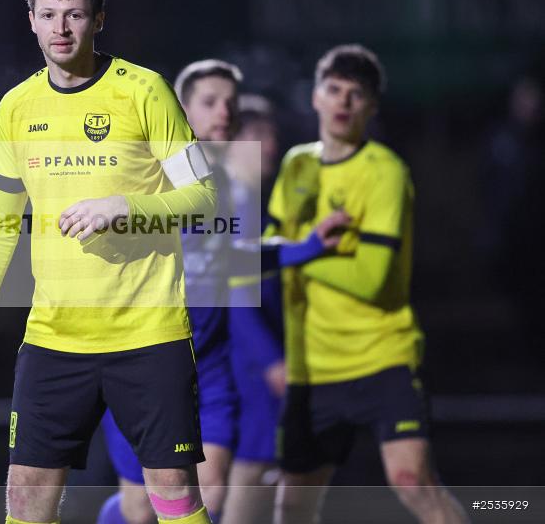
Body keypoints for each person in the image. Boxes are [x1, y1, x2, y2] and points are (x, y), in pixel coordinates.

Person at [0, 0, 218, 524]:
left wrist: (125, 207)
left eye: (74, 14)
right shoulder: (16, 107)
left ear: (99, 20)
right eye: (49, 15)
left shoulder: (145, 91)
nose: (61, 28)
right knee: (25, 495)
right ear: (31, 20)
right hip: (54, 338)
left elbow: (205, 198)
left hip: (147, 334)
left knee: (172, 490)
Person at [97, 62, 349, 524]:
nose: (225, 113)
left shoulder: (226, 185)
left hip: (208, 368)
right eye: (210, 102)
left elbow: (231, 259)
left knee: (208, 489)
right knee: (140, 508)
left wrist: (307, 247)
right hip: (143, 365)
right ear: (182, 111)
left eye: (230, 102)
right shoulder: (146, 175)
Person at [269, 45, 469, 524]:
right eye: (334, 89)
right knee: (292, 505)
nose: (343, 102)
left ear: (371, 107)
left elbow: (372, 278)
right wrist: (298, 250)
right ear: (315, 97)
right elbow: (268, 250)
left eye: (356, 94)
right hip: (312, 368)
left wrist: (298, 252)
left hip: (381, 357)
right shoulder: (296, 164)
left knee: (412, 481)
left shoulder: (386, 171)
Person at [221, 107, 286, 524]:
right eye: (259, 133)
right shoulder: (233, 201)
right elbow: (233, 291)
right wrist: (271, 360)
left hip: (244, 358)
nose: (271, 145)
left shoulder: (251, 203)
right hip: (244, 363)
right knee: (253, 466)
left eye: (272, 133)